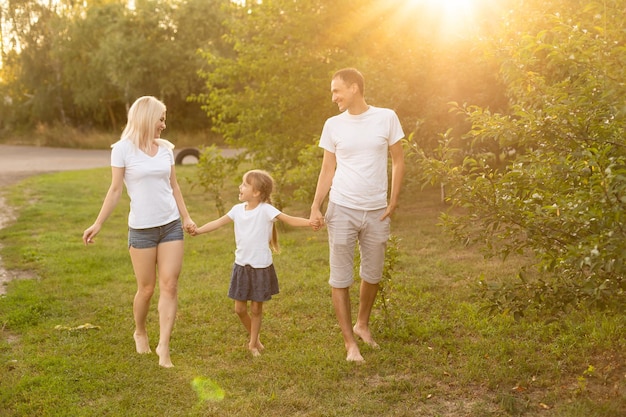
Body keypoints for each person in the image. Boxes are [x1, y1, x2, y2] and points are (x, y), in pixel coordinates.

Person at [82, 96, 196, 368]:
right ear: (147, 118)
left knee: (170, 285)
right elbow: (115, 190)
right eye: (161, 118)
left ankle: (164, 347)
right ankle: (140, 330)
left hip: (170, 226)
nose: (164, 125)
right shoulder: (122, 150)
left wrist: (186, 216)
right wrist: (98, 223)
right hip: (141, 230)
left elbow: (174, 186)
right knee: (146, 289)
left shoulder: (166, 150)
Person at [309, 68, 405, 362]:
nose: (334, 97)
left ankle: (362, 324)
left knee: (372, 273)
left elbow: (398, 161)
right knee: (340, 276)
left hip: (377, 210)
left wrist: (393, 200)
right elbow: (328, 169)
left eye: (337, 91)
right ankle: (349, 343)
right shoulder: (333, 125)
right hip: (342, 208)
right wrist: (316, 205)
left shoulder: (386, 117)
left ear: (353, 88)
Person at [190, 169, 314, 357]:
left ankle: (253, 344)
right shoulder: (236, 210)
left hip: (260, 268)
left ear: (256, 192)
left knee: (256, 308)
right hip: (242, 266)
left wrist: (311, 222)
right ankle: (255, 339)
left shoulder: (266, 210)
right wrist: (198, 231)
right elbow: (217, 223)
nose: (240, 187)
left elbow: (289, 220)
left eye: (244, 184)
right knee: (239, 309)